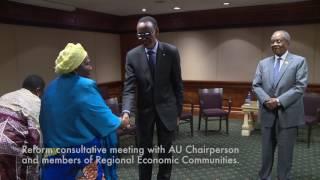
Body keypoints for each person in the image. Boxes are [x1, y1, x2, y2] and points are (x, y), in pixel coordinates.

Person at [40, 43, 129, 180]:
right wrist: (122, 122)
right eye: (87, 64)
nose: (91, 68)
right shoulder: (84, 85)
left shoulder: (50, 87)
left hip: (54, 154)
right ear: (75, 67)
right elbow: (103, 117)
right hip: (82, 153)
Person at [121, 16, 183, 180]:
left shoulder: (170, 51)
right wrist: (126, 111)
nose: (144, 39)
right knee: (144, 152)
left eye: (147, 34)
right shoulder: (132, 56)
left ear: (157, 31)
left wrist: (178, 113)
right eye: (140, 35)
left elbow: (178, 84)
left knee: (165, 152)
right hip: (144, 111)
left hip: (167, 109)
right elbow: (129, 88)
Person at [252, 30, 308, 180]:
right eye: (272, 41)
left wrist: (277, 101)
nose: (275, 44)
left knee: (285, 153)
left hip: (288, 114)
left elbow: (300, 87)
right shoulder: (263, 63)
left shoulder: (299, 61)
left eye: (279, 40)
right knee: (266, 152)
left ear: (287, 43)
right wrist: (265, 100)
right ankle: (264, 177)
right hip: (267, 114)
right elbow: (256, 85)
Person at [0, 74, 45, 180]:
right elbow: (35, 136)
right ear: (38, 90)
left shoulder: (5, 96)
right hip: (11, 145)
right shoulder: (35, 101)